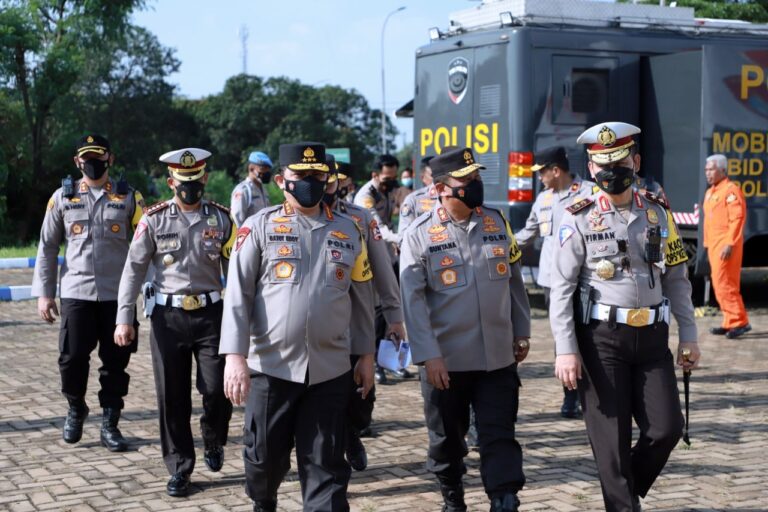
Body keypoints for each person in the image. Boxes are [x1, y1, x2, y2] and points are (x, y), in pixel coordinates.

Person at [549, 122, 701, 512]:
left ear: (635, 161)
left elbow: (678, 278)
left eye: (618, 162)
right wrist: (566, 350)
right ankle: (622, 502)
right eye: (602, 165)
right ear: (590, 166)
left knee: (667, 430)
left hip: (652, 338)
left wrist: (689, 335)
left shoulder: (657, 211)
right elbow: (562, 288)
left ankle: (623, 488)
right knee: (611, 446)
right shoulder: (576, 215)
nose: (610, 172)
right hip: (601, 340)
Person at [219, 142, 376, 512]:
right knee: (264, 461)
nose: (310, 182)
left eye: (317, 175)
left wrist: (366, 354)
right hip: (271, 368)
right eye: (300, 176)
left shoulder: (350, 231)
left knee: (327, 469)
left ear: (328, 178)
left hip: (330, 370)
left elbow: (362, 298)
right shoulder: (258, 227)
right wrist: (234, 357)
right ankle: (264, 500)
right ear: (280, 180)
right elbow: (237, 295)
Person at [400, 146, 531, 512]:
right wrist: (428, 356)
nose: (476, 184)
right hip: (447, 362)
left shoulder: (497, 222)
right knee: (448, 439)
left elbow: (515, 281)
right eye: (467, 179)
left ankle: (504, 496)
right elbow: (412, 303)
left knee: (499, 433)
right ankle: (452, 495)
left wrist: (521, 330)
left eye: (477, 177)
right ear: (441, 188)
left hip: (497, 357)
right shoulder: (419, 235)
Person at [114, 147, 235, 497]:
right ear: (171, 182)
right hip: (168, 318)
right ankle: (180, 466)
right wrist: (125, 317)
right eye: (183, 182)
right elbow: (133, 270)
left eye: (196, 181)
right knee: (172, 395)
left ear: (205, 179)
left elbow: (237, 273)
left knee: (217, 389)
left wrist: (247, 322)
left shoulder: (222, 219)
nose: (190, 188)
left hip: (212, 315)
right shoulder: (153, 220)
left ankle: (214, 438)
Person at [32, 134, 144, 452]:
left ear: (110, 159)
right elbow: (48, 246)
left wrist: (148, 289)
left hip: (117, 296)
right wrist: (44, 294)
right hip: (76, 292)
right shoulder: (62, 198)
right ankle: (75, 407)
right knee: (71, 358)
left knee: (115, 363)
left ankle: (110, 423)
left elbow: (145, 241)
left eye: (99, 157)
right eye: (87, 158)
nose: (93, 163)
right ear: (77, 162)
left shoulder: (128, 198)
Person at [323, 155, 405, 471]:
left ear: (341, 182)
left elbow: (383, 270)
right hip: (320, 327)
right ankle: (332, 451)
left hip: (359, 320)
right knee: (325, 396)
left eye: (333, 181)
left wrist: (395, 317)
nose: (328, 187)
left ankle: (352, 432)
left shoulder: (359, 217)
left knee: (361, 396)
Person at [514, 146, 597, 419]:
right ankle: (570, 396)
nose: (539, 178)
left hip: (586, 280)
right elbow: (528, 232)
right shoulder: (543, 199)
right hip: (553, 281)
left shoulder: (588, 193)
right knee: (563, 338)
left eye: (542, 173)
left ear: (555, 170)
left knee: (590, 336)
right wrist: (499, 245)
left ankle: (593, 394)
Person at [355, 154, 408, 383]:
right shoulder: (366, 196)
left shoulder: (388, 191)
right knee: (378, 312)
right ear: (374, 175)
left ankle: (390, 360)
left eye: (394, 177)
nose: (391, 182)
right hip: (369, 256)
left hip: (388, 254)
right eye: (387, 178)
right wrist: (398, 238)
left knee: (391, 310)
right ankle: (376, 361)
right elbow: (376, 226)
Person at [703, 154, 750, 338]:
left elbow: (737, 219)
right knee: (719, 283)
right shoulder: (710, 192)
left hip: (726, 245)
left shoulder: (731, 191)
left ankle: (739, 321)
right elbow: (708, 222)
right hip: (714, 245)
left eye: (711, 169)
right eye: (706, 169)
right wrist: (707, 245)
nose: (708, 173)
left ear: (722, 170)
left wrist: (730, 243)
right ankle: (729, 321)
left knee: (726, 284)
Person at [231, 150, 273, 226]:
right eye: (263, 168)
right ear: (251, 168)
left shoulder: (263, 190)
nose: (266, 172)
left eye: (268, 169)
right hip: (249, 235)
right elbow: (237, 220)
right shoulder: (243, 190)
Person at [398, 156, 437, 234]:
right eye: (433, 176)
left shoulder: (450, 195)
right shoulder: (413, 200)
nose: (438, 178)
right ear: (423, 178)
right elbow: (403, 236)